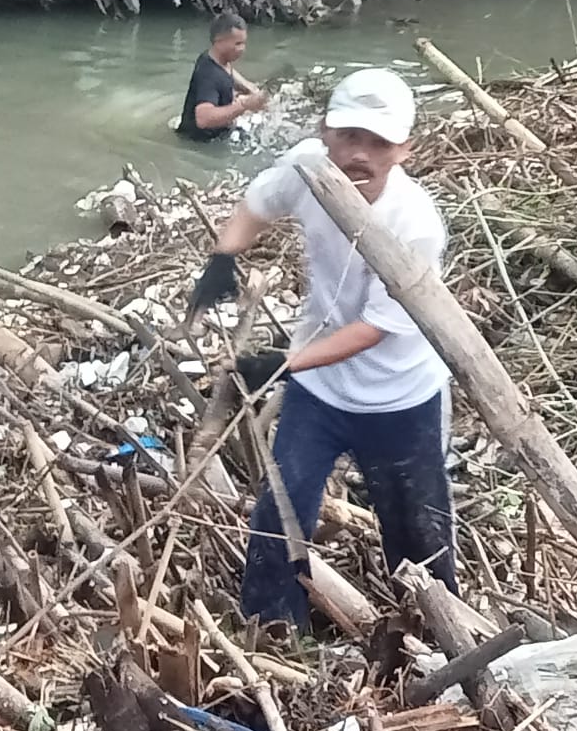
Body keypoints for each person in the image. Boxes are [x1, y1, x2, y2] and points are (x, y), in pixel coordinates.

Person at [186, 68, 457, 626]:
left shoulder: (416, 224)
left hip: (400, 398)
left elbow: (375, 330)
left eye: (379, 142)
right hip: (320, 390)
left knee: (416, 533)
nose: (361, 154)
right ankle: (275, 627)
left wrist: (284, 363)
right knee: (281, 509)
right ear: (325, 131)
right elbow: (256, 205)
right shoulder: (307, 167)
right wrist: (223, 257)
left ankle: (433, 631)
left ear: (405, 149)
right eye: (349, 136)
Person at [178, 11, 268, 142]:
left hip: (218, 132)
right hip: (202, 143)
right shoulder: (209, 74)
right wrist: (244, 105)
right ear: (218, 42)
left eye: (244, 43)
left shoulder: (213, 58)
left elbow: (228, 72)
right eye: (238, 44)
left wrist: (249, 88)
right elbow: (203, 119)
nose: (243, 49)